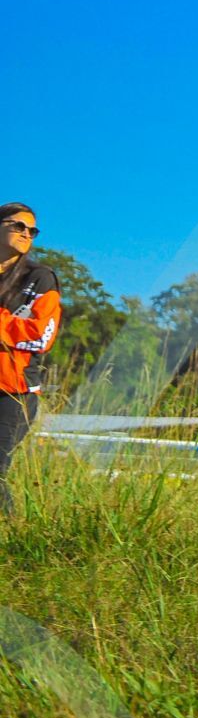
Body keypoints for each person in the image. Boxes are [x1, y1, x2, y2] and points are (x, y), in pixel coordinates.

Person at [0, 203, 60, 514]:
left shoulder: (39, 278)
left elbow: (41, 335)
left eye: (32, 230)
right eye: (18, 226)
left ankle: (12, 532)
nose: (26, 233)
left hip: (14, 393)